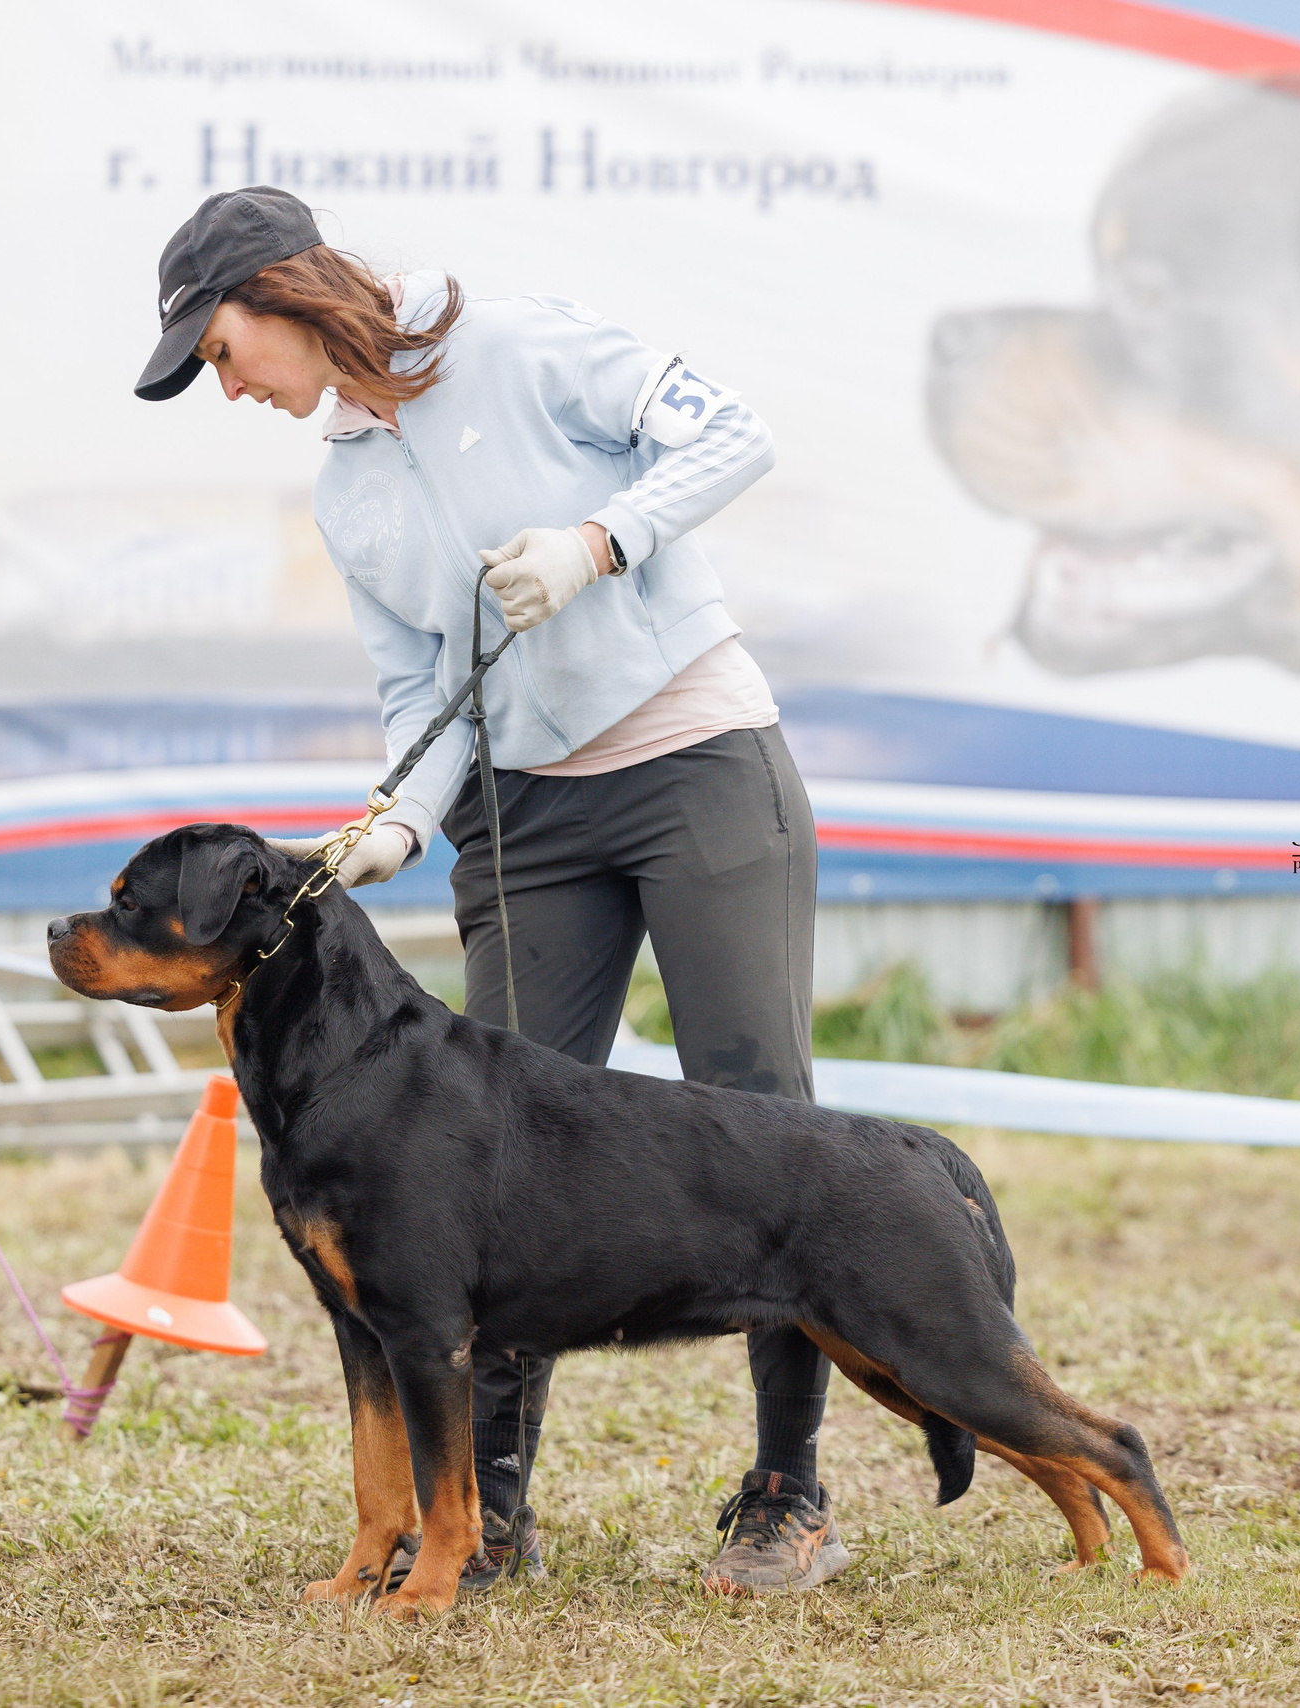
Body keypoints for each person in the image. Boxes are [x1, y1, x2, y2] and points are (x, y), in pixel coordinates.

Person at [134, 185, 841, 1598]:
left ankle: (783, 1492)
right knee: (480, 1157)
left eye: (219, 353)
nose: (226, 387)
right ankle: (486, 1518)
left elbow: (733, 433)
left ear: (283, 296)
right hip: (527, 819)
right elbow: (422, 697)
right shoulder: (348, 487)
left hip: (695, 756)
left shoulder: (518, 347)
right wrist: (398, 823)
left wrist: (601, 541)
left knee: (766, 1122)